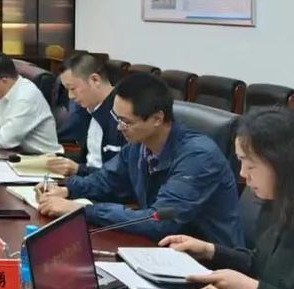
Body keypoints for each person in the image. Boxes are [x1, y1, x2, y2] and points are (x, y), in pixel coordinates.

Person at [37, 73, 244, 246]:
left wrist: (81, 210)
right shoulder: (139, 145)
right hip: (161, 249)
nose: (119, 128)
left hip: (208, 265)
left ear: (157, 119)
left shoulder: (198, 157)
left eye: (126, 121)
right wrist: (67, 189)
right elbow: (106, 180)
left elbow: (158, 220)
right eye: (117, 118)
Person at [164, 109, 294, 289]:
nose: (243, 173)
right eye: (241, 161)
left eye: (251, 165)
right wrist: (210, 251)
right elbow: (265, 264)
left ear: (283, 164)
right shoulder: (276, 202)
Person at [44, 52, 124, 176]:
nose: (70, 96)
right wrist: (60, 160)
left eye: (72, 88)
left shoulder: (122, 116)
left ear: (95, 80)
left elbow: (119, 177)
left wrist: (78, 170)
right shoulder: (86, 111)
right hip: (88, 181)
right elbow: (89, 160)